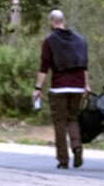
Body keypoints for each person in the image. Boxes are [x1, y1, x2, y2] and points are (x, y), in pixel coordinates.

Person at [32, 10, 91, 169]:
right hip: (78, 86)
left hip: (59, 86)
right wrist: (86, 84)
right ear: (63, 20)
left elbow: (44, 67)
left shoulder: (49, 41)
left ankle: (63, 160)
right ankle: (77, 147)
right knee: (73, 118)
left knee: (60, 122)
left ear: (52, 22)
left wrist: (38, 88)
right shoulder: (80, 40)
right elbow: (84, 64)